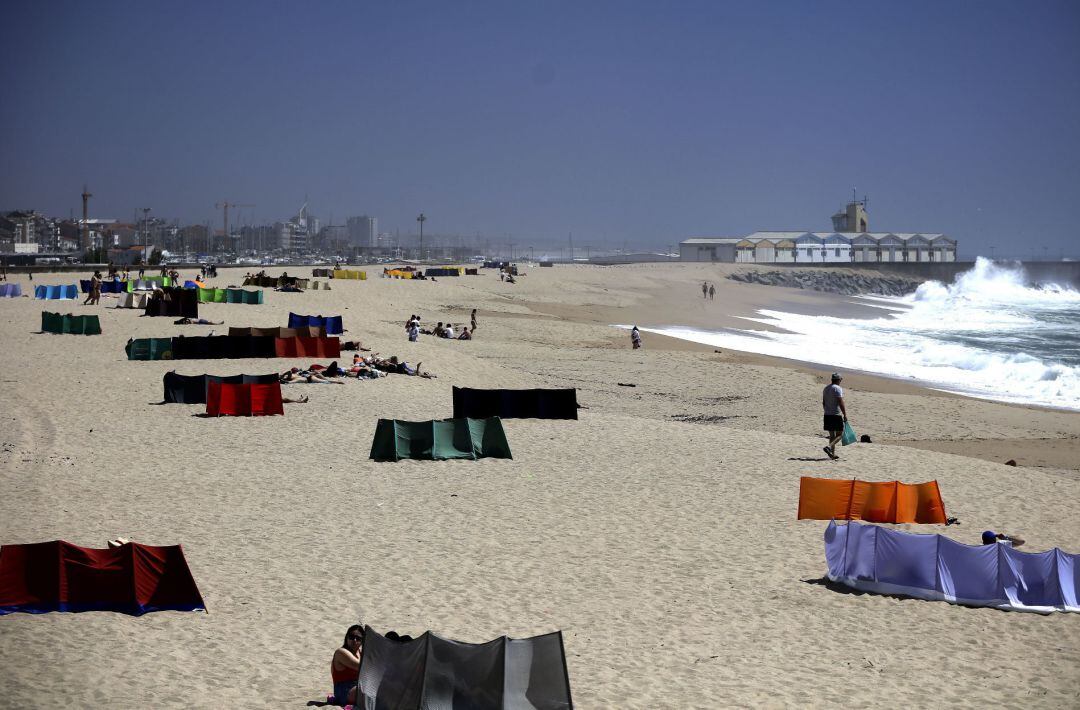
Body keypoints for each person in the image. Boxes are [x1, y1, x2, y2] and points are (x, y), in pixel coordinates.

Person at [331, 625, 364, 706]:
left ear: (362, 641)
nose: (354, 640)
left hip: (357, 687)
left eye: (358, 638)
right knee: (367, 691)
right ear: (346, 638)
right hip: (344, 692)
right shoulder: (341, 652)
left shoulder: (360, 653)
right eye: (351, 637)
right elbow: (361, 666)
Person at [822, 373, 847, 460]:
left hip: (827, 414)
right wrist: (845, 414)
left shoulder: (826, 388)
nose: (841, 381)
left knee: (832, 435)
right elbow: (840, 402)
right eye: (840, 380)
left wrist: (826, 411)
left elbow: (824, 403)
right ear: (838, 380)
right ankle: (829, 447)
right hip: (835, 414)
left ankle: (832, 454)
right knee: (840, 435)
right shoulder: (837, 388)